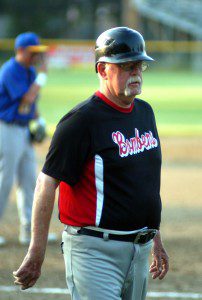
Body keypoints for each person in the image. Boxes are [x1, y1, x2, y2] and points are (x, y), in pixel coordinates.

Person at [13, 27, 169, 299]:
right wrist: (36, 251)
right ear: (102, 69)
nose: (136, 73)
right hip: (95, 251)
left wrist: (154, 238)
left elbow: (144, 182)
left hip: (139, 249)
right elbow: (46, 182)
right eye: (126, 66)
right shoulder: (81, 121)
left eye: (139, 65)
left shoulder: (145, 112)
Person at [0, 32, 56, 246]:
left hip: (22, 131)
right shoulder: (11, 70)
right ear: (21, 51)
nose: (37, 56)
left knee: (29, 181)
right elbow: (26, 97)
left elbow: (30, 105)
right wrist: (42, 76)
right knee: (5, 181)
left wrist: (39, 120)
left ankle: (29, 232)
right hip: (6, 129)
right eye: (33, 52)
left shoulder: (29, 71)